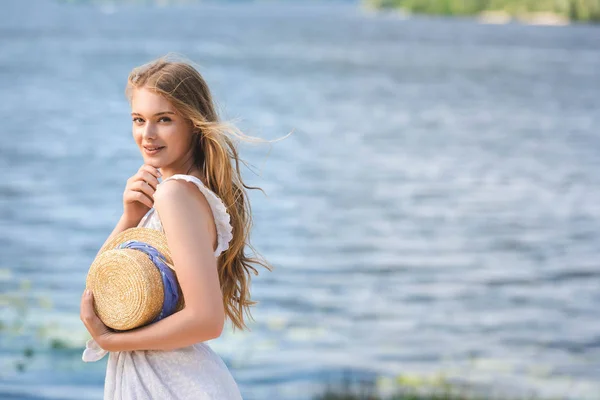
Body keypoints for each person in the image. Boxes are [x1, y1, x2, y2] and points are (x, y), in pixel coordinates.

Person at [79, 55, 274, 399]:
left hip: (170, 384)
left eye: (163, 119)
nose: (147, 135)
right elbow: (101, 291)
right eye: (138, 120)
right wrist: (130, 216)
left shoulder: (175, 194)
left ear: (193, 124)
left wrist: (113, 342)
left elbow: (206, 319)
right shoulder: (184, 192)